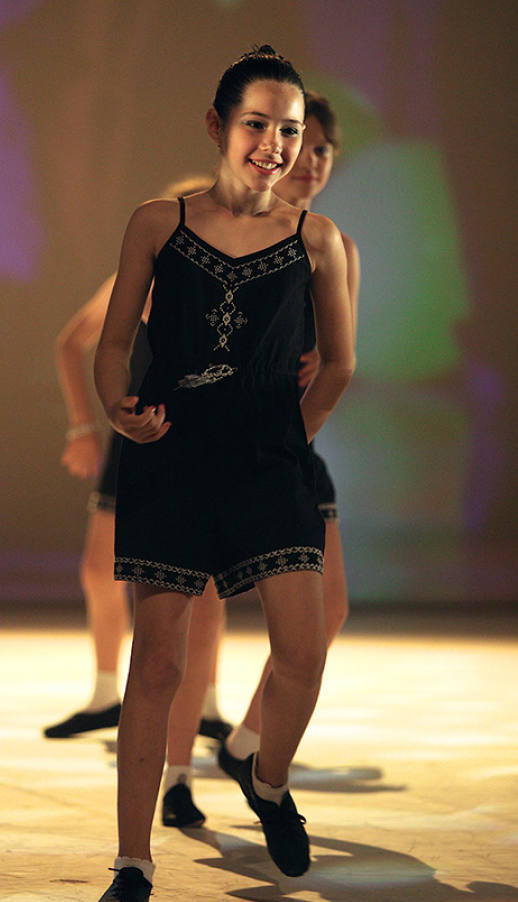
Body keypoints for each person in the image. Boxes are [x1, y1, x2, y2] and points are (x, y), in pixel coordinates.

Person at [92, 45, 354, 902]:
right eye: (256, 124)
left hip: (268, 466)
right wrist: (116, 408)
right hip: (170, 459)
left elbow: (340, 365)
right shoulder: (156, 223)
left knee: (304, 650)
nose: (275, 144)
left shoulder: (317, 240)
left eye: (290, 129)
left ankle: (267, 783)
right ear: (217, 126)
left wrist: (288, 438)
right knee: (158, 664)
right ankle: (133, 863)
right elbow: (114, 344)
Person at [43, 177, 233, 743]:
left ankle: (205, 705)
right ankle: (107, 695)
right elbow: (72, 342)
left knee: (204, 584)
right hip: (138, 434)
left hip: (204, 443)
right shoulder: (143, 275)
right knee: (99, 569)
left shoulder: (237, 281)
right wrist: (83, 427)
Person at [218, 91, 360, 779]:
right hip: (223, 444)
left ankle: (249, 742)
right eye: (305, 144)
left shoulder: (336, 245)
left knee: (326, 610)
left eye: (324, 149)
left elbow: (339, 360)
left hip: (294, 446)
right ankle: (181, 761)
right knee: (192, 612)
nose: (313, 160)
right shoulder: (237, 230)